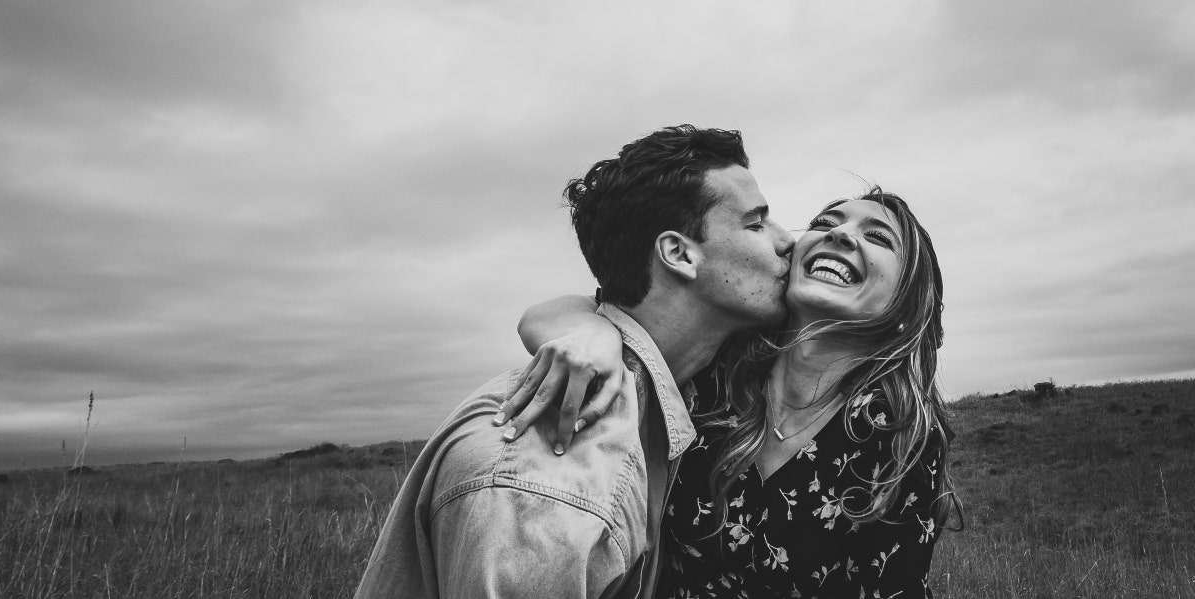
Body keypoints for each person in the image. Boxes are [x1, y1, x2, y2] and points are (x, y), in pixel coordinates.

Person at [353, 124, 794, 599]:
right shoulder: (549, 489)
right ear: (678, 254)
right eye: (756, 223)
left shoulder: (677, 381)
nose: (787, 239)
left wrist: (588, 323)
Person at [511, 189, 961, 598]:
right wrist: (595, 333)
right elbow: (549, 315)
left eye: (879, 237)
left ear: (907, 299)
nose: (840, 234)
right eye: (825, 223)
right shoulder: (718, 371)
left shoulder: (899, 431)